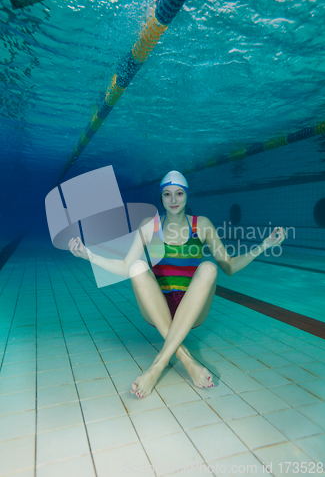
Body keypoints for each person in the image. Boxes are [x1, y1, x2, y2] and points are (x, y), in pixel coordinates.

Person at [69, 170, 286, 399]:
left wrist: (264, 245)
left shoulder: (201, 225)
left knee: (209, 268)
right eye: (167, 194)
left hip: (192, 310)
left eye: (179, 193)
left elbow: (229, 266)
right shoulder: (148, 226)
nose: (173, 200)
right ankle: (186, 361)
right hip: (157, 307)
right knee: (136, 267)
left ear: (187, 195)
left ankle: (156, 367)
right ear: (161, 197)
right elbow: (125, 266)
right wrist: (89, 255)